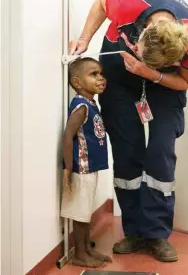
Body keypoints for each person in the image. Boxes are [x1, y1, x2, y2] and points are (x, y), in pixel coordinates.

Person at [69, 0, 188, 262]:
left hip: (164, 83)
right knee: (126, 148)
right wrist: (85, 39)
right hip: (120, 75)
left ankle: (156, 234)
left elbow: (186, 81)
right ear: (141, 34)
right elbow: (100, 1)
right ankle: (134, 231)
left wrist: (150, 73)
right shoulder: (129, 3)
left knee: (160, 153)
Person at [60, 57, 112, 267]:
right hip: (81, 169)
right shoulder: (81, 106)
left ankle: (87, 249)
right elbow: (67, 136)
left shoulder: (91, 104)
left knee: (85, 211)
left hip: (90, 167)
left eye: (101, 74)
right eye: (93, 74)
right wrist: (68, 169)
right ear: (77, 82)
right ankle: (80, 254)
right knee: (80, 214)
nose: (101, 78)